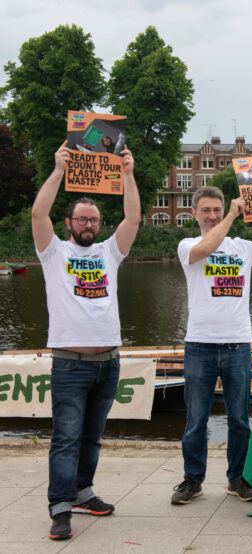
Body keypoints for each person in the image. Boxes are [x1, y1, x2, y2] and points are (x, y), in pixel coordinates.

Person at [32, 140, 141, 540]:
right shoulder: (53, 252)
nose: (89, 225)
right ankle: (60, 508)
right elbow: (37, 211)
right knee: (65, 439)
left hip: (107, 362)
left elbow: (133, 218)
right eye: (82, 219)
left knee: (91, 437)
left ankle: (82, 491)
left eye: (94, 219)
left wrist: (128, 175)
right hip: (70, 363)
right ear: (69, 223)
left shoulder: (109, 252)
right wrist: (59, 169)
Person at [171, 185, 252, 505]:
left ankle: (238, 478)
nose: (213, 215)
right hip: (200, 344)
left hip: (238, 345)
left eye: (217, 209)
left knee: (239, 419)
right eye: (207, 210)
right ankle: (192, 479)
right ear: (194, 214)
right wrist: (232, 214)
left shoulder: (242, 247)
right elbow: (206, 249)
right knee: (196, 420)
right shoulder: (188, 245)